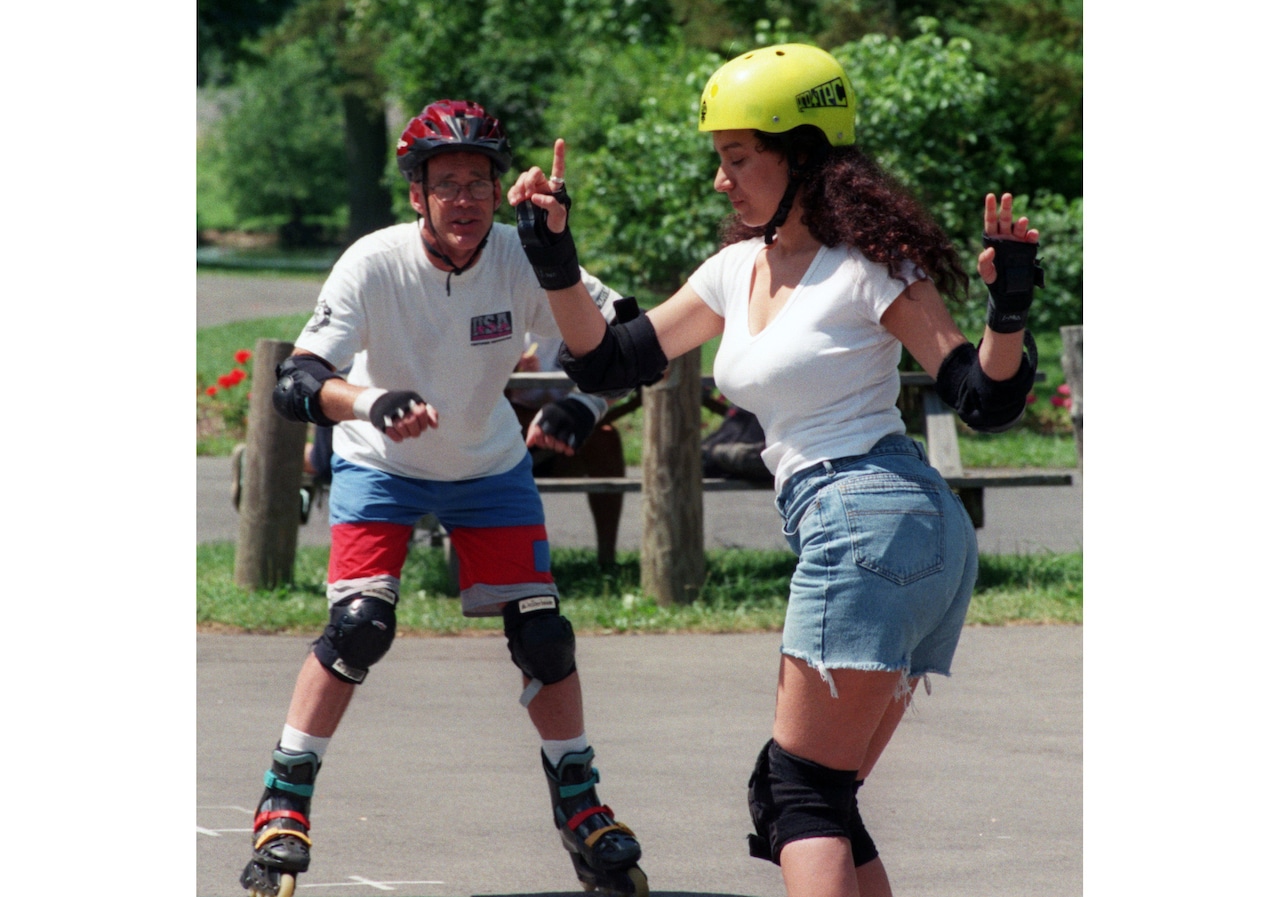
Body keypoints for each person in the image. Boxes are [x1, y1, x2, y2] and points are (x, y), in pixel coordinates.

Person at [508, 44, 1042, 897]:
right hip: (899, 532)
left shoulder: (871, 267)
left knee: (797, 795)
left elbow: (981, 396)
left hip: (868, 520)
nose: (722, 180)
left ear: (805, 154)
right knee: (819, 791)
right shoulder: (736, 268)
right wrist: (555, 262)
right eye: (719, 159)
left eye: (737, 158)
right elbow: (610, 361)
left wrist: (1007, 312)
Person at [240, 99, 647, 897]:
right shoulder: (374, 260)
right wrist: (370, 401)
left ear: (500, 192)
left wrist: (580, 403)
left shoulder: (523, 255)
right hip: (379, 462)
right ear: (417, 194)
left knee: (544, 637)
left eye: (479, 182)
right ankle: (283, 801)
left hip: (488, 466)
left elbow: (629, 344)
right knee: (360, 626)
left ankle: (580, 802)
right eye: (447, 182)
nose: (465, 198)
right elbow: (301, 379)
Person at [508, 337, 627, 566]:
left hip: (570, 427)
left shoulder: (585, 318)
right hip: (514, 429)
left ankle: (607, 558)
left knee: (605, 439)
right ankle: (502, 559)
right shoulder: (510, 315)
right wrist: (511, 369)